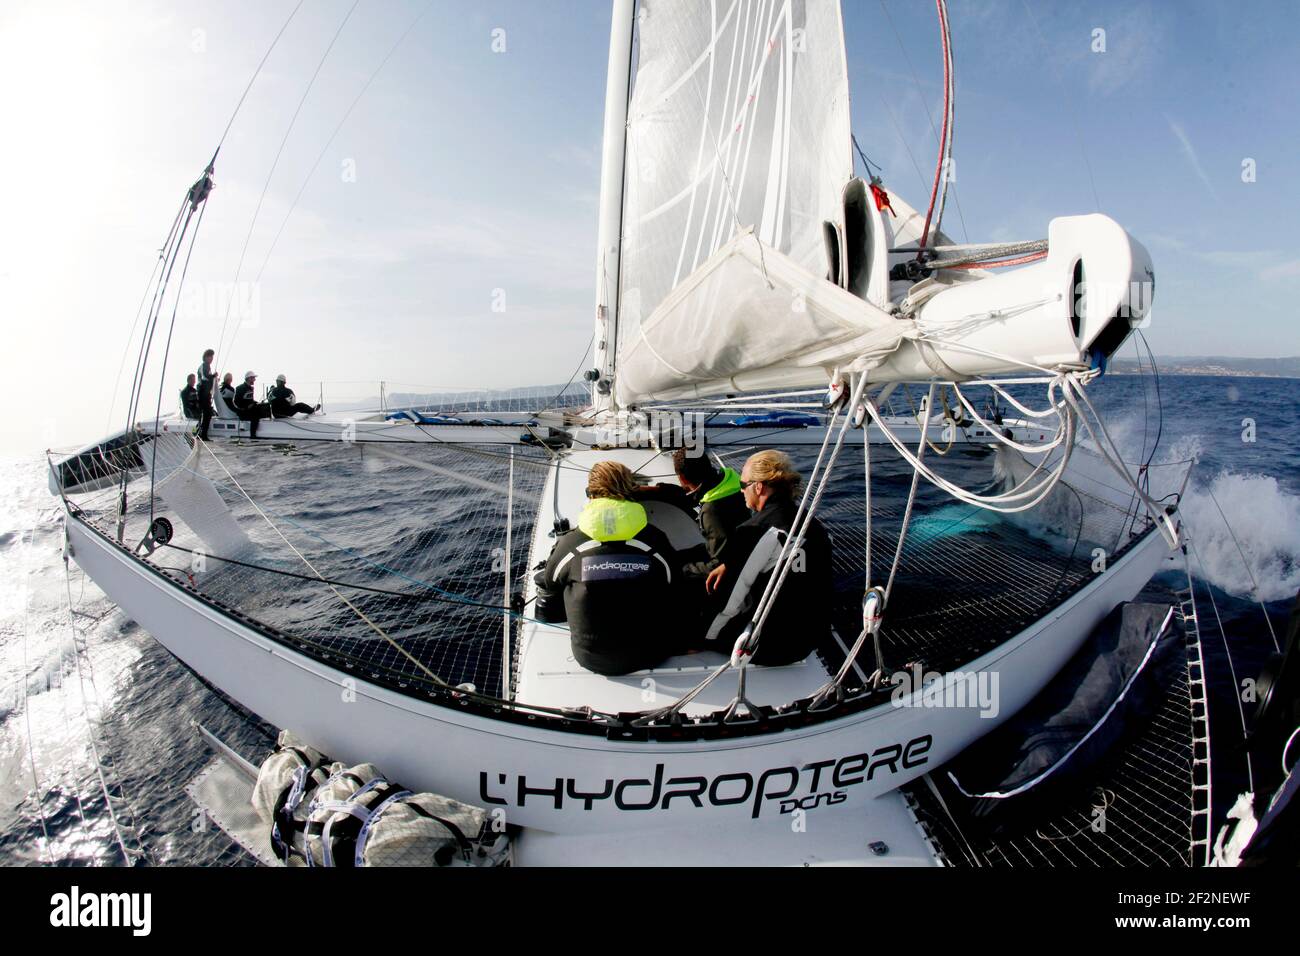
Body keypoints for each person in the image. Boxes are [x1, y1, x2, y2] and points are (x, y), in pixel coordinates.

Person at [534, 461, 680, 676]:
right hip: (652, 652)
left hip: (591, 657)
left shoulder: (571, 543)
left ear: (590, 494)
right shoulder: (654, 538)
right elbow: (673, 580)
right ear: (631, 492)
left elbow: (550, 581)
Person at [702, 450, 832, 666]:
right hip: (808, 642)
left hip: (770, 645)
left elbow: (730, 600)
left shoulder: (755, 530)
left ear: (758, 487)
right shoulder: (812, 524)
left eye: (743, 486)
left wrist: (707, 638)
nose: (741, 491)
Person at [232, 371, 272, 438]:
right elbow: (236, 402)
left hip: (250, 410)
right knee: (255, 416)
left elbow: (250, 400)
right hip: (243, 412)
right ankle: (252, 435)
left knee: (263, 407)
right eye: (253, 378)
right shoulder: (240, 388)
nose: (254, 380)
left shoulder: (250, 388)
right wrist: (246, 407)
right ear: (249, 378)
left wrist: (256, 403)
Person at [196, 348, 216, 439]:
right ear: (205, 357)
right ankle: (202, 434)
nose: (211, 358)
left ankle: (202, 433)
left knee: (206, 413)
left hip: (205, 393)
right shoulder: (204, 366)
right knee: (206, 413)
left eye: (212, 357)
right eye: (210, 356)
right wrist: (213, 376)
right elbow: (205, 377)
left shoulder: (207, 366)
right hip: (203, 392)